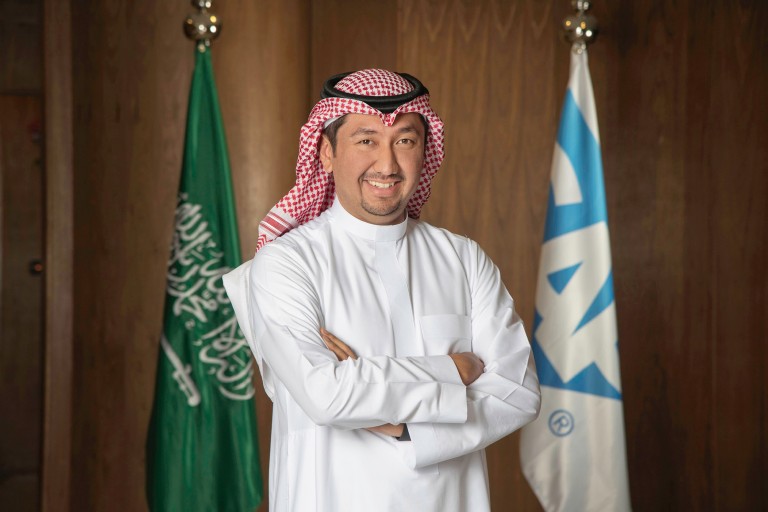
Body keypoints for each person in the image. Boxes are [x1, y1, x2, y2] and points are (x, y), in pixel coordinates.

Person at [224, 69, 541, 512]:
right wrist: (452, 369)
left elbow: (519, 392)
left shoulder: (463, 259)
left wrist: (403, 426)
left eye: (405, 141)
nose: (387, 165)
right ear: (327, 152)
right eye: (366, 140)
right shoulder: (286, 263)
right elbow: (327, 396)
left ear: (425, 151)